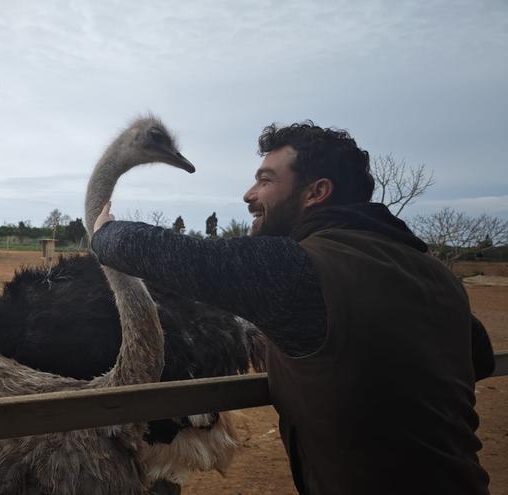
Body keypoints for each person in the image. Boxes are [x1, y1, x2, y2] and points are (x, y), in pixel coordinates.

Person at [91, 121, 494, 495]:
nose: (249, 195)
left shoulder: (302, 270)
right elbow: (481, 358)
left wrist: (106, 235)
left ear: (316, 192)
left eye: (266, 180)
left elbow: (185, 259)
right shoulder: (436, 275)